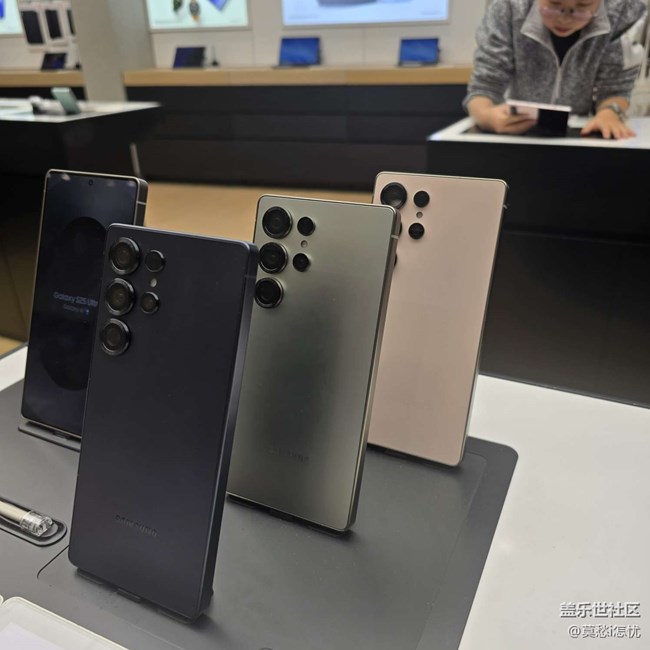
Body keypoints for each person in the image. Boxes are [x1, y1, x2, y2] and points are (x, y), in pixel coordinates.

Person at [464, 0, 648, 139]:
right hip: (518, 133)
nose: (564, 19)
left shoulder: (625, 12)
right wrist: (485, 115)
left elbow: (615, 89)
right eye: (554, 4)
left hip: (580, 133)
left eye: (582, 6)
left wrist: (609, 113)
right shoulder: (508, 8)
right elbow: (484, 87)